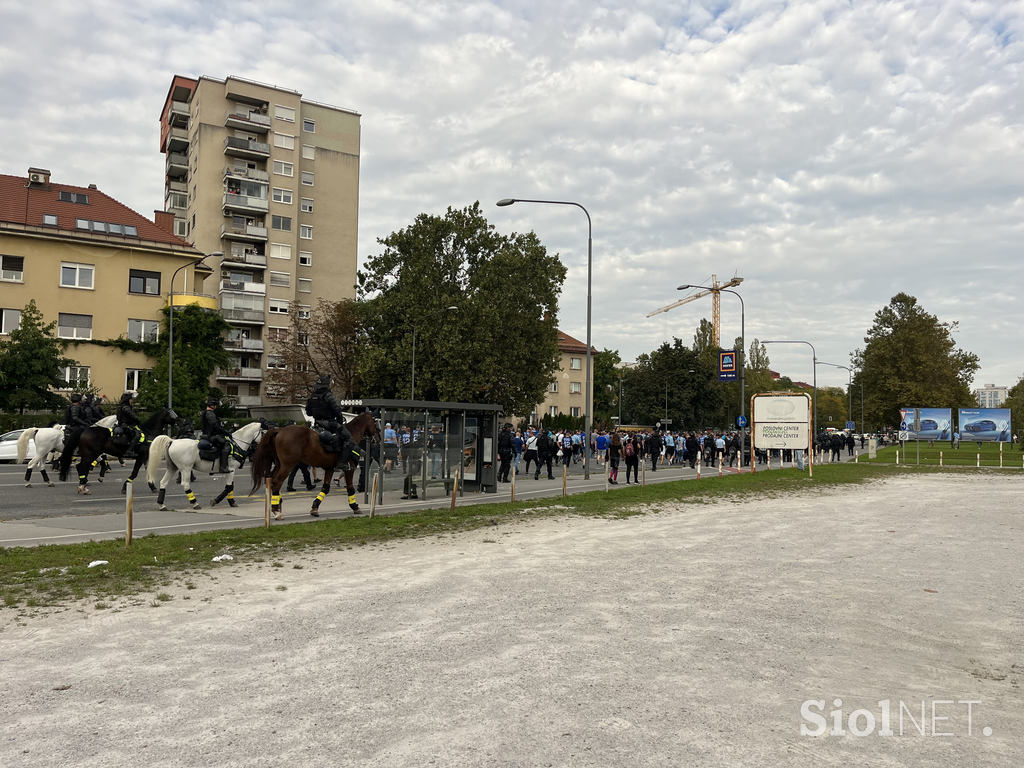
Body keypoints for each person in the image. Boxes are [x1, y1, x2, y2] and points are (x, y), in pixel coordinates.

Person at [305, 374, 359, 469]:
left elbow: (308, 412)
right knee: (348, 439)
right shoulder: (328, 395)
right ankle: (341, 463)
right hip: (329, 423)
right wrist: (340, 423)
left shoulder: (312, 396)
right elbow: (337, 411)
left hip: (317, 423)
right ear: (327, 384)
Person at [200, 397, 232, 473]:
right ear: (212, 405)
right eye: (215, 405)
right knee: (226, 445)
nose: (216, 406)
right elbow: (215, 426)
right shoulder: (210, 413)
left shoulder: (207, 413)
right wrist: (226, 433)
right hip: (211, 435)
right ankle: (222, 467)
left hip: (208, 434)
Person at [116, 391, 144, 456]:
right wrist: (138, 421)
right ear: (127, 400)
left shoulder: (121, 407)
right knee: (137, 435)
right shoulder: (126, 408)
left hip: (122, 425)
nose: (131, 401)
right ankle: (129, 451)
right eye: (130, 399)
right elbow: (133, 416)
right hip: (127, 425)